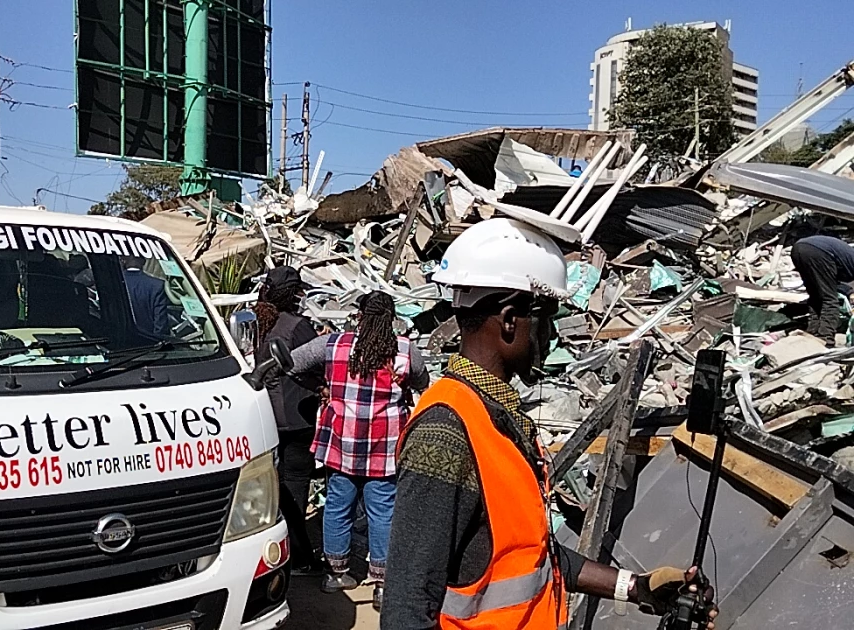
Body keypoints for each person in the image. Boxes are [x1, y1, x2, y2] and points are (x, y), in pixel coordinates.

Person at [381, 218, 717, 630]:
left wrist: (636, 587)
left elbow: (533, 556)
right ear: (509, 320)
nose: (553, 333)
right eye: (547, 318)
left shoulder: (496, 415)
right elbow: (405, 611)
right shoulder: (447, 432)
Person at [291, 290, 429, 610]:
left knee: (338, 506)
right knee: (383, 512)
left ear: (360, 315)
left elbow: (293, 363)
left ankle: (336, 575)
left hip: (342, 443)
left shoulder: (333, 345)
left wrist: (320, 387)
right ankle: (382, 584)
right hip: (385, 445)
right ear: (391, 318)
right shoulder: (406, 351)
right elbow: (423, 382)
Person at [253, 265, 324, 575]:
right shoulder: (297, 327)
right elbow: (316, 366)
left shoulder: (262, 323)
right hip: (297, 417)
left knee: (279, 485)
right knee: (296, 487)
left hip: (269, 416)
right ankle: (299, 557)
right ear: (295, 294)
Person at [791, 235, 854, 344]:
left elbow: (836, 283)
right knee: (829, 299)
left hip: (798, 248)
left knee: (816, 296)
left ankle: (812, 333)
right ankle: (825, 338)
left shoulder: (847, 261)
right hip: (819, 252)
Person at [120, 254, 169, 338]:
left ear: (123, 261)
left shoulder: (113, 284)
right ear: (144, 262)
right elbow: (160, 324)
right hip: (147, 343)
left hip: (118, 344)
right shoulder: (157, 285)